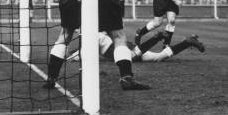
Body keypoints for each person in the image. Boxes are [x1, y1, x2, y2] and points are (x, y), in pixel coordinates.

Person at [67, 31, 205, 63]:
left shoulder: (91, 35)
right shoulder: (94, 32)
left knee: (134, 55)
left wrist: (68, 58)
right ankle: (188, 42)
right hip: (121, 45)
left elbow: (84, 52)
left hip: (116, 49)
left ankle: (155, 38)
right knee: (158, 57)